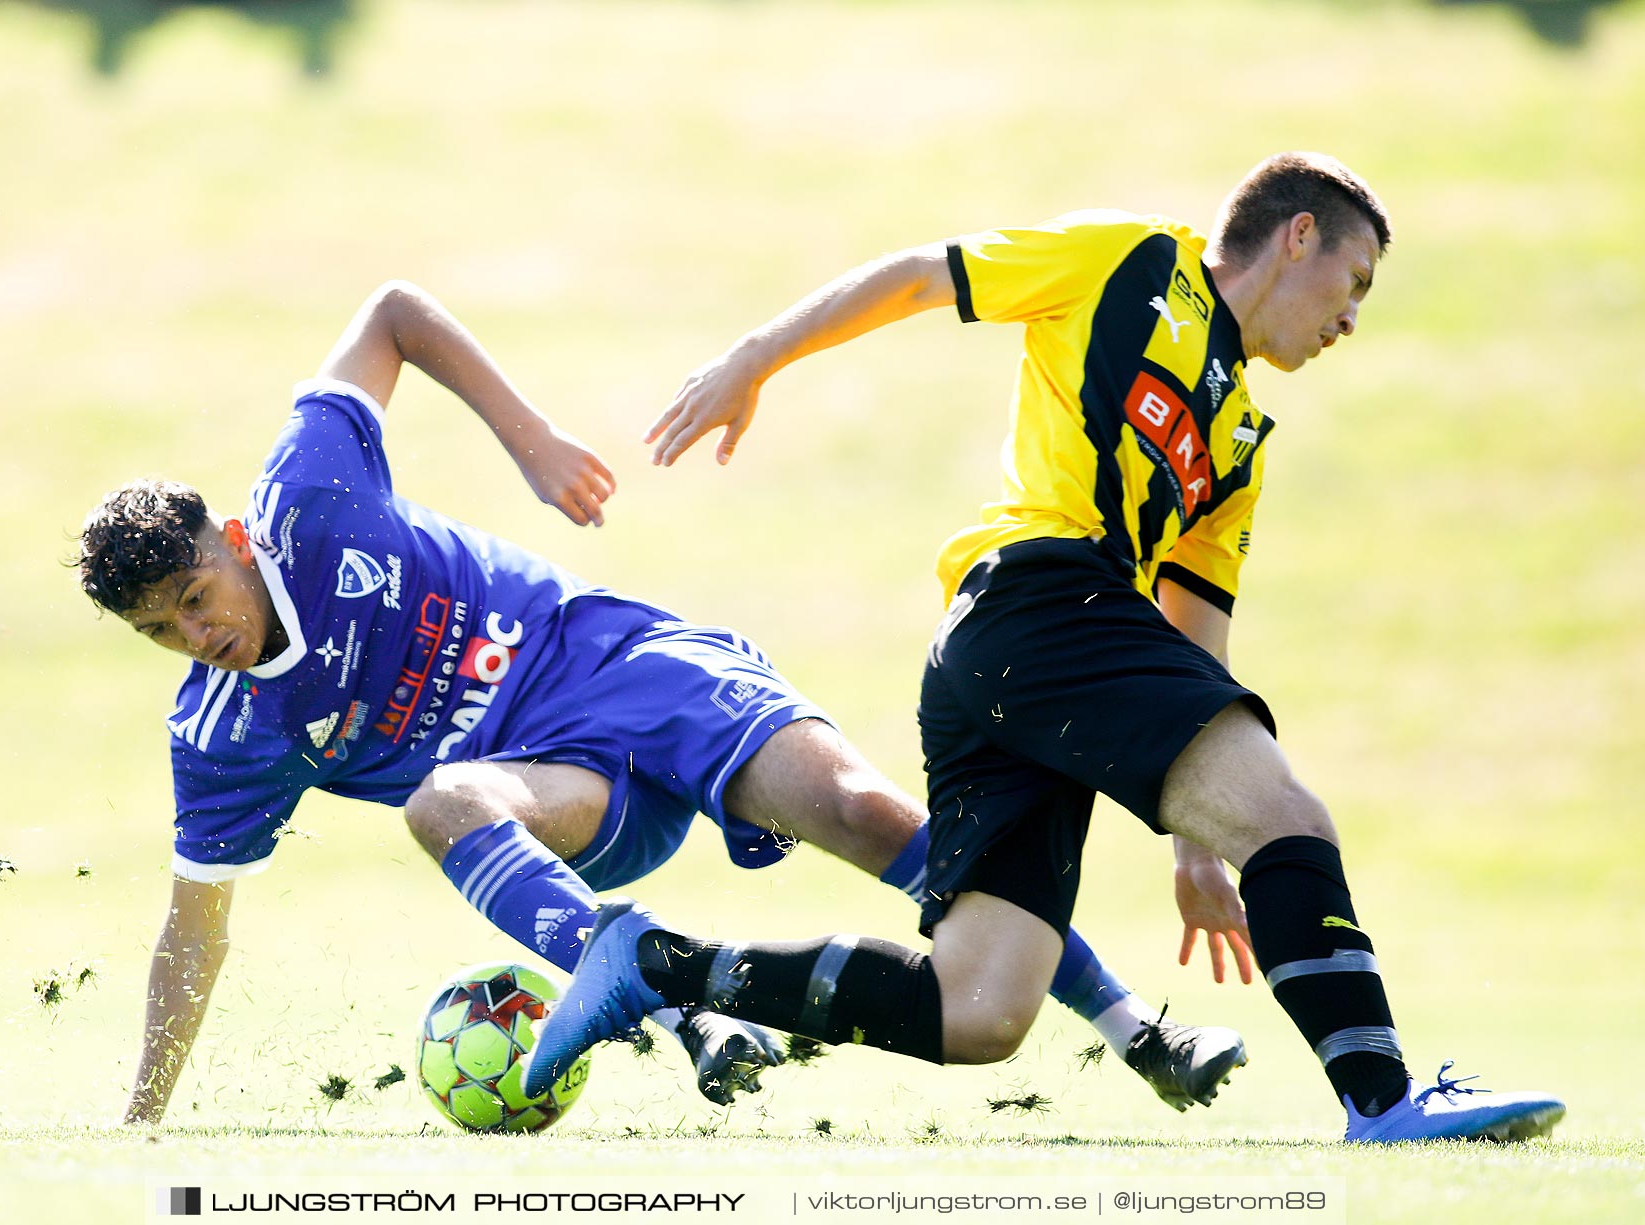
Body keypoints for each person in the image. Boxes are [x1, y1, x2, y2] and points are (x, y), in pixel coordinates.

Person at [524, 154, 1566, 1143]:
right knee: (1291, 820)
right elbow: (921, 278)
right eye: (1356, 281)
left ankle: (655, 963)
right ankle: (1384, 1098)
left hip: (1014, 660)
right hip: (1038, 599)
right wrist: (757, 357)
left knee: (979, 1008)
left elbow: (1195, 621)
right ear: (1299, 235)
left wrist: (1197, 844)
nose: (1351, 317)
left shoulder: (1241, 437)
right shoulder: (1135, 262)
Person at [79, 281, 1252, 1126]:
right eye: (161, 633)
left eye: (194, 594)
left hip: (618, 664)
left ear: (231, 541)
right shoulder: (224, 735)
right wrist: (142, 1122)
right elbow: (196, 928)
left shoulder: (309, 490)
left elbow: (391, 310)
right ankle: (659, 988)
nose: (198, 635)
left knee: (865, 813)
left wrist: (528, 437)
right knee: (440, 798)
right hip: (564, 796)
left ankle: (1139, 1030)